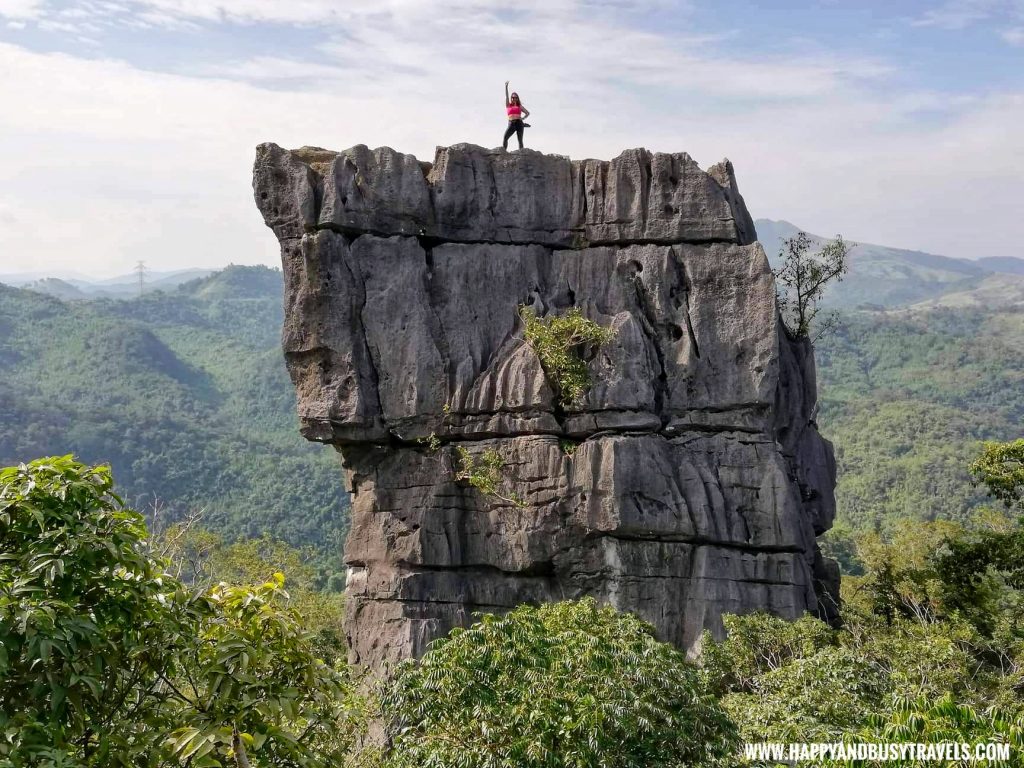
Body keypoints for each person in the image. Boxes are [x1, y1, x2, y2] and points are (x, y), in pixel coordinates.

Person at [503, 81, 530, 150]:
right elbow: (506, 97)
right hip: (511, 123)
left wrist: (523, 118)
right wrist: (506, 87)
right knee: (505, 137)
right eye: (513, 97)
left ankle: (521, 154)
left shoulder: (519, 106)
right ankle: (503, 152)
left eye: (515, 97)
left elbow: (527, 113)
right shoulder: (508, 105)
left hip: (519, 123)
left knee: (520, 140)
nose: (514, 99)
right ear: (511, 98)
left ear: (517, 98)